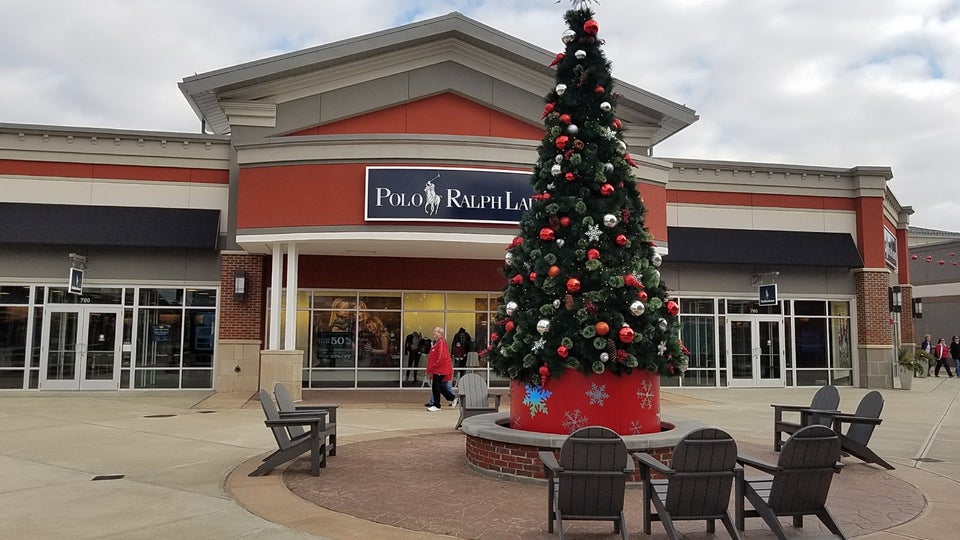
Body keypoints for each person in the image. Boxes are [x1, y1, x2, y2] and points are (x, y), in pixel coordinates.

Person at [425, 327, 457, 411]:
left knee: (436, 386)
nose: (433, 332)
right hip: (438, 368)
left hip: (439, 369)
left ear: (440, 333)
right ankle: (452, 398)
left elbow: (441, 356)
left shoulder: (441, 342)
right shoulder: (438, 342)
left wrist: (434, 365)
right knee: (439, 386)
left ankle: (437, 405)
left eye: (435, 331)